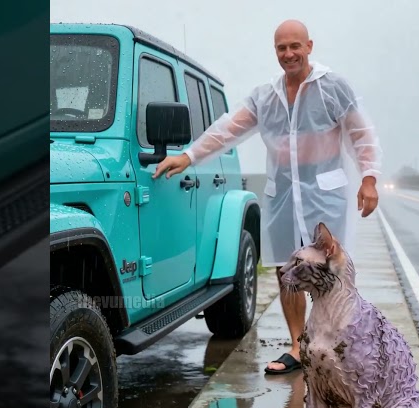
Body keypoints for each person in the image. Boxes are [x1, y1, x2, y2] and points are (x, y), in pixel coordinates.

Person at [153, 19, 383, 374]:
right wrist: (188, 156)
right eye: (281, 48)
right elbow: (227, 129)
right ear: (275, 51)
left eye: (295, 46)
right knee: (287, 271)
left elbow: (361, 134)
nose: (289, 54)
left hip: (325, 195)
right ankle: (297, 346)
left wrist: (369, 178)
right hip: (283, 195)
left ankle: (335, 345)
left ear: (309, 45)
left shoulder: (332, 87)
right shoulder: (266, 96)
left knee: (332, 271)